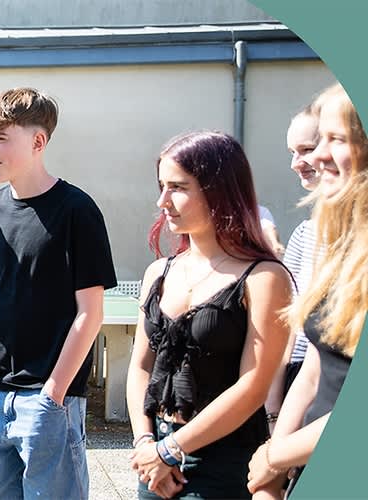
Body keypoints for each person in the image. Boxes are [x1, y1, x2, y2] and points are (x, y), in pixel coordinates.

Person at [0, 87, 116, 500]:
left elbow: (90, 312)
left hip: (48, 399)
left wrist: (55, 392)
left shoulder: (77, 211)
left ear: (38, 142)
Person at [125, 131, 291, 499]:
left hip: (224, 460)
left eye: (178, 187)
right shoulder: (159, 272)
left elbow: (254, 386)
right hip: (155, 457)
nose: (162, 201)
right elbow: (140, 367)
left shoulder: (264, 277)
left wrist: (170, 451)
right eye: (161, 186)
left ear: (219, 191)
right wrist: (146, 443)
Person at [247, 83, 368, 498]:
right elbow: (316, 363)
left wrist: (273, 457)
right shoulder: (342, 244)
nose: (315, 157)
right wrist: (276, 463)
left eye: (334, 140)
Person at [263, 107, 320, 430]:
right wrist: (273, 411)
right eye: (292, 152)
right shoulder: (306, 233)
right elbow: (286, 324)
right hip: (297, 382)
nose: (296, 163)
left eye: (307, 149)